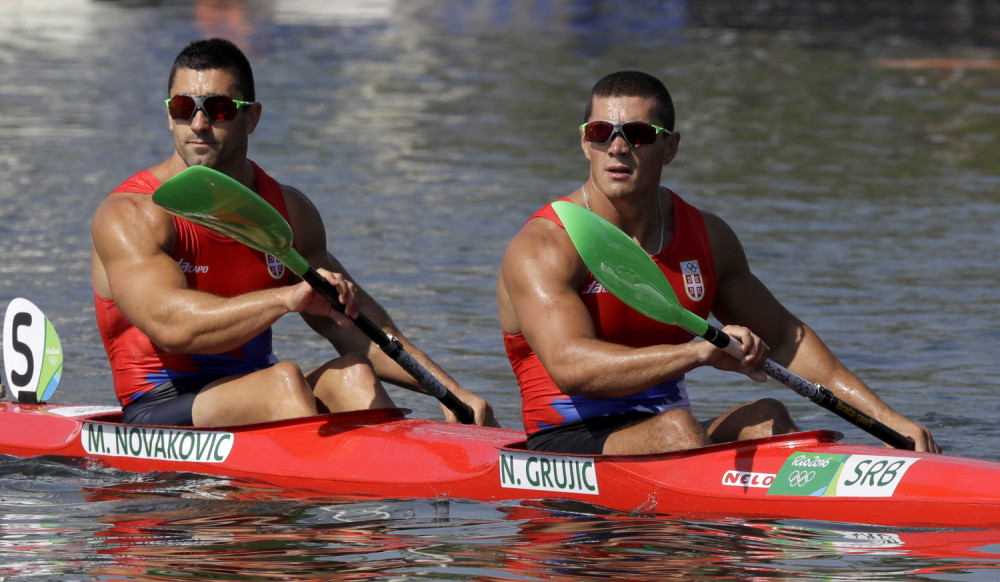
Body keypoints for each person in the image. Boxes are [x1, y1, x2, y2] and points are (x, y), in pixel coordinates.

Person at [497, 70, 937, 455]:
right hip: (565, 439)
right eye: (600, 132)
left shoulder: (707, 237)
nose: (617, 147)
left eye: (638, 133)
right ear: (585, 142)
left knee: (768, 417)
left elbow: (785, 339)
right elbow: (572, 369)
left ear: (669, 147)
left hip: (673, 435)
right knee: (677, 429)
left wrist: (884, 419)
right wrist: (697, 353)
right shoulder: (545, 245)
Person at [91, 37, 496, 428]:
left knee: (354, 373)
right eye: (183, 107)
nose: (198, 124)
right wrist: (285, 298)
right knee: (283, 381)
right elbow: (171, 327)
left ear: (251, 117)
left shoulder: (289, 212)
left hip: (265, 391)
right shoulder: (133, 214)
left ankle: (400, 473)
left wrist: (451, 393)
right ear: (169, 115)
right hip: (160, 404)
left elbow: (358, 329)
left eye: (218, 108)